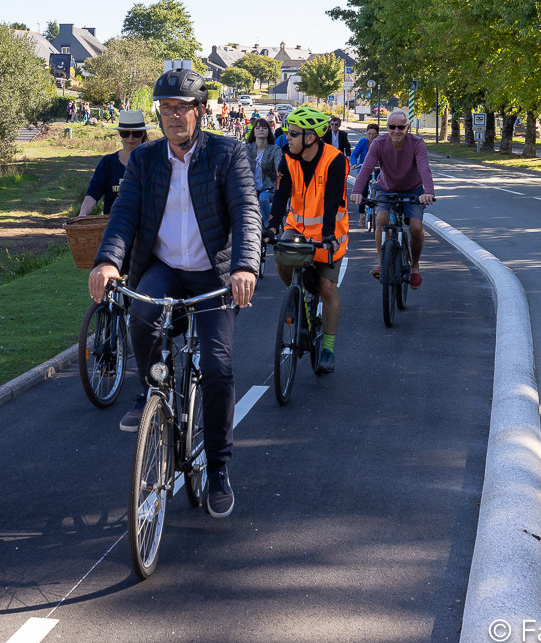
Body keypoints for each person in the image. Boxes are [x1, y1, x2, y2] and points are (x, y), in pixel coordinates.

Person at [88, 68, 261, 519]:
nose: (173, 116)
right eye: (166, 108)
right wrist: (107, 261)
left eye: (182, 108)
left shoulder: (228, 153)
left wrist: (244, 266)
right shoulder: (145, 159)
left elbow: (247, 211)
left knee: (218, 368)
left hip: (214, 275)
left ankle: (218, 469)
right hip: (163, 268)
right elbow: (124, 215)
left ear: (200, 111)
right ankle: (152, 389)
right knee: (141, 316)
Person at [266, 106, 348, 372]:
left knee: (326, 287)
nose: (286, 137)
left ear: (310, 137)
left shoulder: (335, 160)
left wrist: (328, 235)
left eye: (293, 133)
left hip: (329, 233)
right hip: (298, 227)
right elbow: (280, 196)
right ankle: (295, 298)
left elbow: (332, 200)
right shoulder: (287, 158)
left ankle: (328, 349)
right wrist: (272, 228)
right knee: (281, 256)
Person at [349, 109, 435, 289]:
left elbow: (424, 168)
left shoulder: (417, 143)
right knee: (381, 219)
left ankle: (415, 266)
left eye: (401, 127)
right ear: (387, 127)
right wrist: (357, 191)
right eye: (392, 126)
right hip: (385, 188)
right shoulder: (379, 143)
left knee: (416, 227)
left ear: (407, 127)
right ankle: (382, 263)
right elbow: (366, 168)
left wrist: (428, 191)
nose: (396, 131)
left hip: (412, 190)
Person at [78, 110, 153, 216]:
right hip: (114, 223)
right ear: (119, 134)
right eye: (125, 133)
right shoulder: (107, 163)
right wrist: (82, 214)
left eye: (136, 133)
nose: (130, 138)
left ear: (143, 134)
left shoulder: (154, 162)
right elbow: (93, 193)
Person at [245, 117, 282, 223]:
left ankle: (268, 226)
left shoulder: (275, 149)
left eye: (264, 128)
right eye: (257, 128)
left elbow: (279, 166)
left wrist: (279, 172)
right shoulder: (246, 148)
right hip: (249, 187)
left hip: (268, 187)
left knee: (263, 198)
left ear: (269, 131)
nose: (261, 130)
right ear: (254, 132)